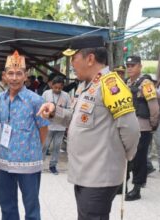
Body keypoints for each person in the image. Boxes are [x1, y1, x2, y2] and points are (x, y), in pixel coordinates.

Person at [38, 35, 140, 220]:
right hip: (86, 174)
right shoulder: (87, 86)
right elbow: (75, 119)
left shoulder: (111, 84)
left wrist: (124, 156)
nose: (71, 64)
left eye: (73, 58)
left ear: (90, 58)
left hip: (100, 175)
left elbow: (131, 129)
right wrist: (54, 111)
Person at [0, 50, 49, 220]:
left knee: (31, 206)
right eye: (10, 73)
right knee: (6, 204)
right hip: (4, 161)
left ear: (26, 76)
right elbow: (0, 124)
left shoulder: (36, 100)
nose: (14, 78)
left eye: (19, 73)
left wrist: (33, 149)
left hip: (28, 162)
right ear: (4, 76)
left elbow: (43, 129)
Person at [125, 55, 159, 201]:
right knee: (126, 157)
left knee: (139, 159)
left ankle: (137, 188)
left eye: (133, 65)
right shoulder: (127, 82)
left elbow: (154, 107)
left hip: (142, 127)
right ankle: (122, 185)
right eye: (128, 65)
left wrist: (152, 124)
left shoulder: (146, 84)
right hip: (128, 127)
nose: (130, 68)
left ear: (140, 67)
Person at [42, 76, 71, 175]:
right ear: (51, 85)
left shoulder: (66, 95)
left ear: (63, 87)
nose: (57, 90)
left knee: (57, 147)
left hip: (60, 126)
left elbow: (70, 110)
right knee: (44, 145)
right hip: (48, 125)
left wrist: (59, 111)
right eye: (55, 88)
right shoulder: (46, 94)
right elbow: (41, 106)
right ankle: (39, 164)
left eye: (60, 88)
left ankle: (53, 166)